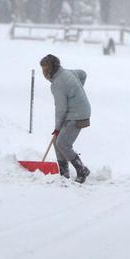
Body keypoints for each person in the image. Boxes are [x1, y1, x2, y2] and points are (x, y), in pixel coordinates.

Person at [40, 54, 91, 183]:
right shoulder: (67, 73)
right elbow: (83, 74)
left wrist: (57, 128)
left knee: (63, 143)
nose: (44, 74)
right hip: (76, 111)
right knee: (58, 141)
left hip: (78, 115)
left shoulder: (57, 84)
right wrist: (76, 92)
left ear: (51, 69)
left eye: (45, 70)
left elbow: (61, 109)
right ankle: (64, 173)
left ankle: (82, 170)